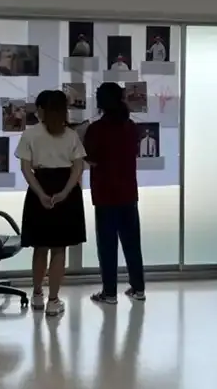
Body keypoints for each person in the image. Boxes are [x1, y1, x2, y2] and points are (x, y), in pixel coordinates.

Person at [15, 90, 86, 317]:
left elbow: (26, 169)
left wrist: (40, 193)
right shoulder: (71, 135)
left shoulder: (30, 134)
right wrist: (65, 192)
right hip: (66, 190)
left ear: (41, 110)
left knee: (40, 246)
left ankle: (37, 295)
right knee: (59, 248)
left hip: (40, 186)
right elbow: (78, 167)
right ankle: (53, 301)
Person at [83, 83, 146, 304]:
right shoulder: (131, 127)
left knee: (107, 245)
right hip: (128, 192)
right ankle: (138, 288)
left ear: (100, 102)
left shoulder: (96, 129)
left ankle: (109, 293)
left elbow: (91, 158)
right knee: (132, 243)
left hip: (105, 194)